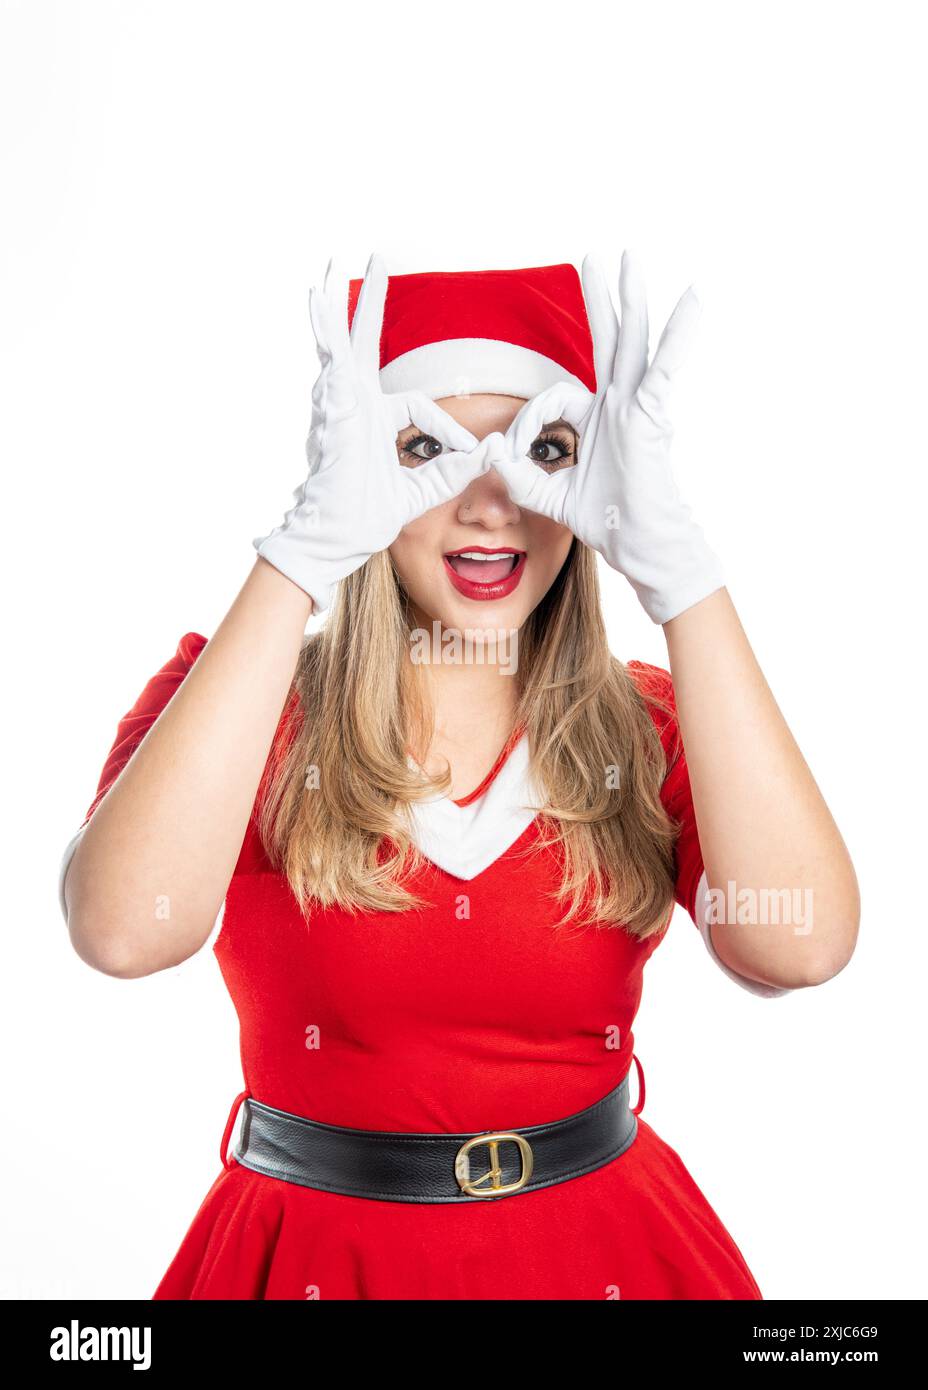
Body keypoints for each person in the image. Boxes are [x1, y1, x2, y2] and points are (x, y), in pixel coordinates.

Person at [59, 252, 859, 1300]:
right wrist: (301, 556)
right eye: (426, 450)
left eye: (543, 450)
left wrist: (682, 572)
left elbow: (798, 946)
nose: (491, 503)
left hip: (606, 1254)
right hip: (312, 1260)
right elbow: (122, 931)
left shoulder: (652, 722)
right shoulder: (236, 705)